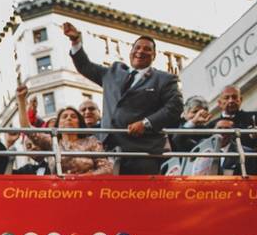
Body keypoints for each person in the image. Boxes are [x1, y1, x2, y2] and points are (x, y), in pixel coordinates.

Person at [63, 22, 182, 175]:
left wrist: (146, 123)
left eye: (147, 49)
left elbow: (175, 107)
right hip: (109, 152)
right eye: (137, 47)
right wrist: (75, 41)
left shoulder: (164, 79)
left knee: (142, 196)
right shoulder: (113, 72)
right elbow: (85, 66)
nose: (141, 51)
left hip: (142, 152)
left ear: (154, 55)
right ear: (131, 51)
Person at [17, 85, 112, 175]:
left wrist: (84, 177)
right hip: (60, 190)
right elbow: (27, 128)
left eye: (73, 116)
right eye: (64, 117)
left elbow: (107, 168)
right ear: (58, 124)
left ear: (79, 123)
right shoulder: (52, 142)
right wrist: (21, 100)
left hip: (88, 186)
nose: (69, 118)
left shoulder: (92, 142)